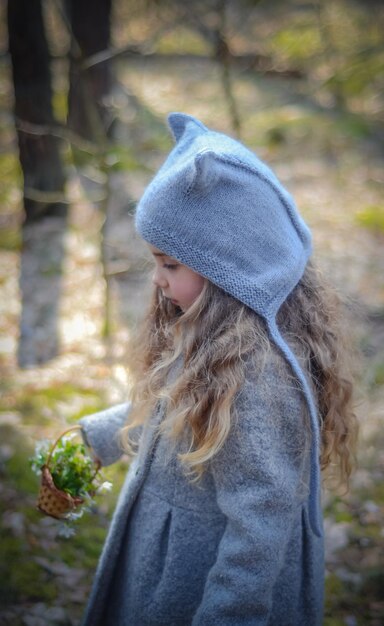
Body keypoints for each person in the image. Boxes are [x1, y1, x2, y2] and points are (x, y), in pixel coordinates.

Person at [79, 112, 357, 625]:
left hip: (204, 585)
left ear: (229, 267)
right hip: (166, 563)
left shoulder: (260, 377)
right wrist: (96, 439)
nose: (157, 280)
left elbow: (259, 528)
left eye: (171, 265)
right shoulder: (212, 338)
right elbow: (174, 408)